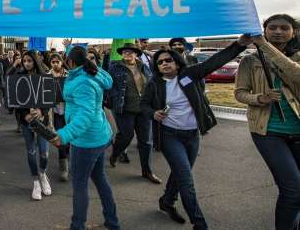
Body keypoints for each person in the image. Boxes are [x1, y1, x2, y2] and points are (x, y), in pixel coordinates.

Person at [141, 35, 251, 229]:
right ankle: (199, 223)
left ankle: (167, 201)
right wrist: (153, 113)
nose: (165, 64)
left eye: (169, 60)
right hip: (169, 136)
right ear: (156, 67)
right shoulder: (155, 84)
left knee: (180, 172)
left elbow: (215, 62)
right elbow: (143, 105)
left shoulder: (189, 75)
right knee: (186, 179)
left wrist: (239, 45)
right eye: (160, 62)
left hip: (192, 135)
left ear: (177, 61)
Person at [235, 14, 300, 230]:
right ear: (265, 30)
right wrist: (259, 98)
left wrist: (264, 45)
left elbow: (296, 75)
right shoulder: (249, 61)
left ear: (294, 32)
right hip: (268, 131)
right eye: (272, 28)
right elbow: (240, 93)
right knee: (292, 189)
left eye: (284, 28)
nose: (278, 32)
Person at [50, 46, 120, 230]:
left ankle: (77, 226)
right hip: (99, 135)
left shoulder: (83, 82)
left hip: (86, 140)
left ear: (71, 62)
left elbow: (85, 114)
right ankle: (112, 222)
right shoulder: (93, 73)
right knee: (99, 177)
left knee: (80, 185)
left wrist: (64, 134)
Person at [107, 43, 160, 184]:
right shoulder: (115, 67)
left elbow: (152, 84)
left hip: (144, 110)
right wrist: (114, 97)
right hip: (124, 109)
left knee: (146, 142)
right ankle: (115, 153)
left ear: (136, 54)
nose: (127, 54)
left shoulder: (144, 67)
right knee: (126, 136)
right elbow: (108, 86)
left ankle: (147, 171)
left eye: (130, 52)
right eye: (125, 52)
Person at [8, 50, 52, 201]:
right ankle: (35, 182)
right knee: (31, 152)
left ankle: (43, 174)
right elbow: (15, 99)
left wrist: (42, 110)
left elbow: (49, 97)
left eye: (29, 61)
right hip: (26, 121)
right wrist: (24, 115)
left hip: (42, 120)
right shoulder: (19, 77)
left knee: (44, 153)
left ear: (35, 61)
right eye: (24, 61)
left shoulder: (44, 76)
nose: (26, 63)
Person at [49, 52, 70, 182]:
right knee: (61, 139)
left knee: (70, 140)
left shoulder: (69, 75)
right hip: (56, 112)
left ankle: (68, 155)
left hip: (69, 112)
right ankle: (64, 167)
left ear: (61, 62)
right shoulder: (47, 76)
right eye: (53, 62)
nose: (55, 64)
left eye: (58, 61)